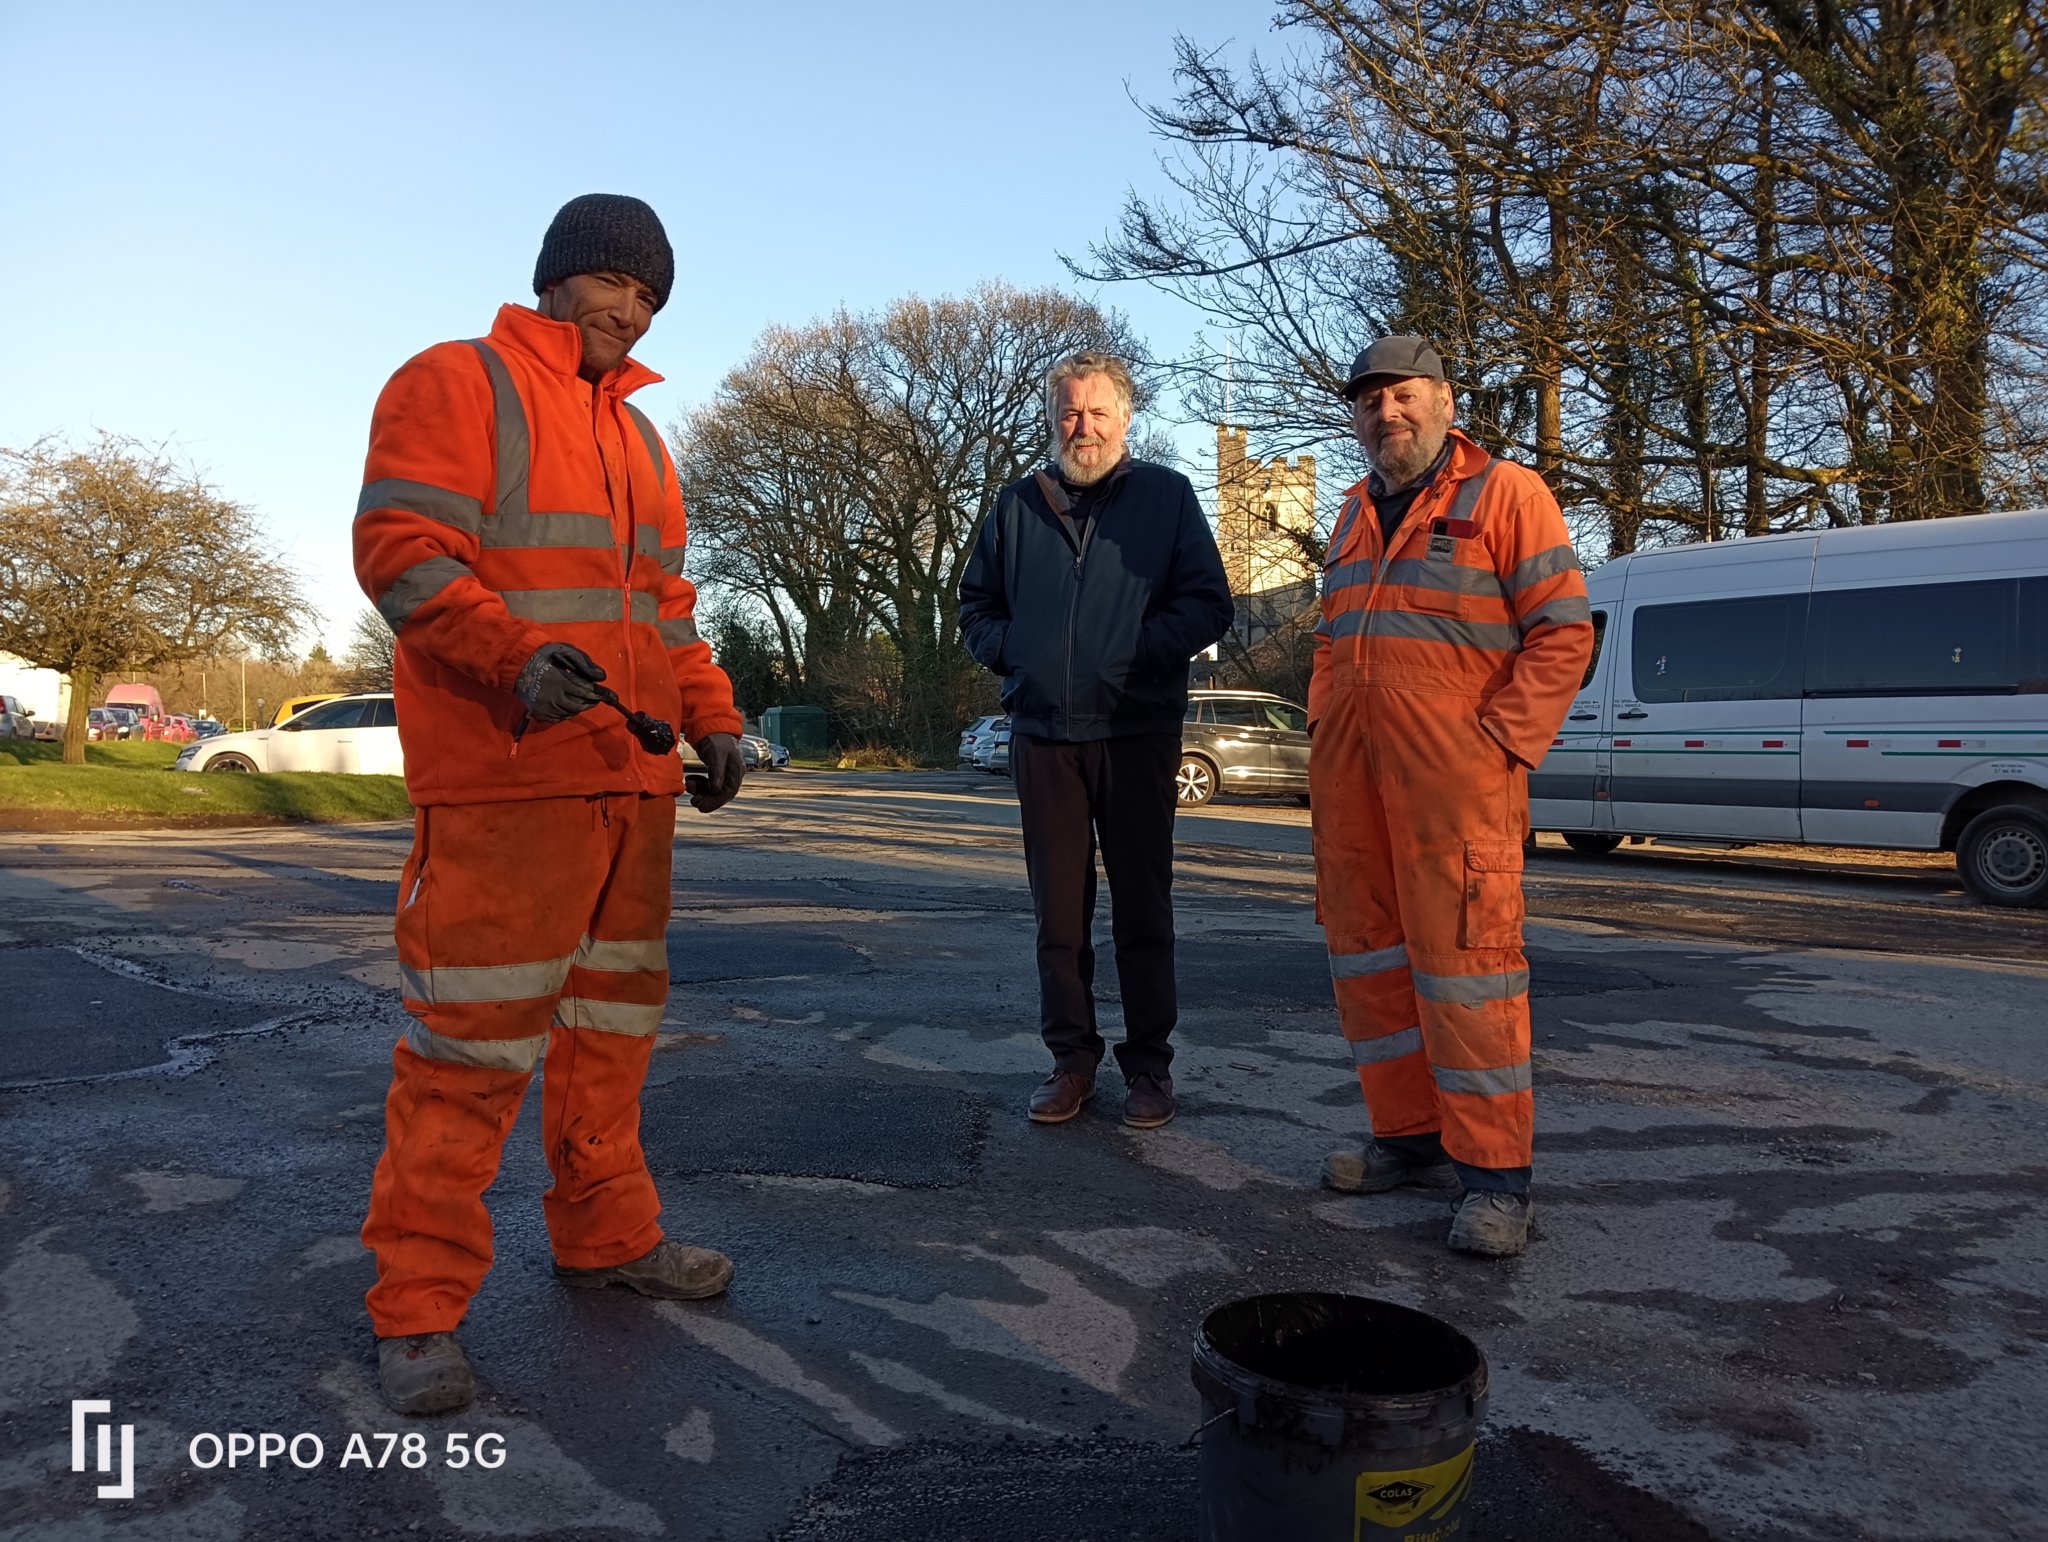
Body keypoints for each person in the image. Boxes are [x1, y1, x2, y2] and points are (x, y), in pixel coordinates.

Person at [352, 194, 748, 1414]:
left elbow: (665, 611)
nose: (626, 311)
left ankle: (609, 1238)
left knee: (608, 1043)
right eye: (612, 284)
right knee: (470, 1054)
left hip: (630, 789)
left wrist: (716, 717)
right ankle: (415, 1314)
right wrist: (508, 654)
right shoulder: (456, 382)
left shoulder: (643, 444)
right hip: (506, 781)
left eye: (648, 298)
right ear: (556, 276)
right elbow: (401, 548)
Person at [1310, 336, 1593, 1257]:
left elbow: (1563, 632)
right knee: (1370, 962)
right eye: (1368, 403)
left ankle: (1496, 1180)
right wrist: (1324, 737)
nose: (1385, 415)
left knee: (1469, 973)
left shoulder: (1507, 495)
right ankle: (1408, 1139)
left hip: (1457, 786)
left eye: (1402, 397)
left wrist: (1501, 742)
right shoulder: (1353, 512)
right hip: (1356, 785)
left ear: (1443, 399)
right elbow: (1332, 644)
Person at [959, 352, 1233, 1130]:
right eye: (1069, 414)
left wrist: (1131, 652)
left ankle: (1149, 1066)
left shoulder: (1167, 499)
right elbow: (975, 606)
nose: (1084, 427)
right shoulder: (1017, 506)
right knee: (1059, 914)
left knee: (1144, 907)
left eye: (1098, 413)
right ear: (1052, 421)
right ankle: (1070, 1061)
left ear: (1126, 418)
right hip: (1045, 734)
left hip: (1137, 728)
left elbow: (1208, 606)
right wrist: (1021, 653)